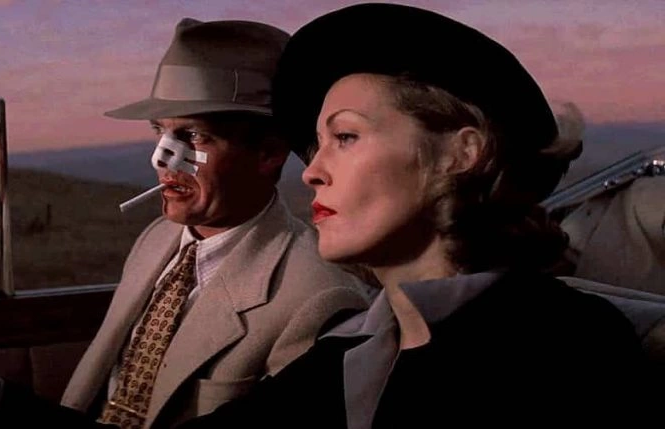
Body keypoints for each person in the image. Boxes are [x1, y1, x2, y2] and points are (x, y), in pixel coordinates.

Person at [175, 4, 649, 428]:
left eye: (345, 137)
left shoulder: (569, 345)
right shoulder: (345, 352)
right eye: (316, 146)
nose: (312, 172)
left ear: (461, 154)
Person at [60, 17, 370, 429]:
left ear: (269, 153)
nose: (161, 158)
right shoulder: (156, 239)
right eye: (159, 131)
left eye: (193, 136)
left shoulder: (318, 297)